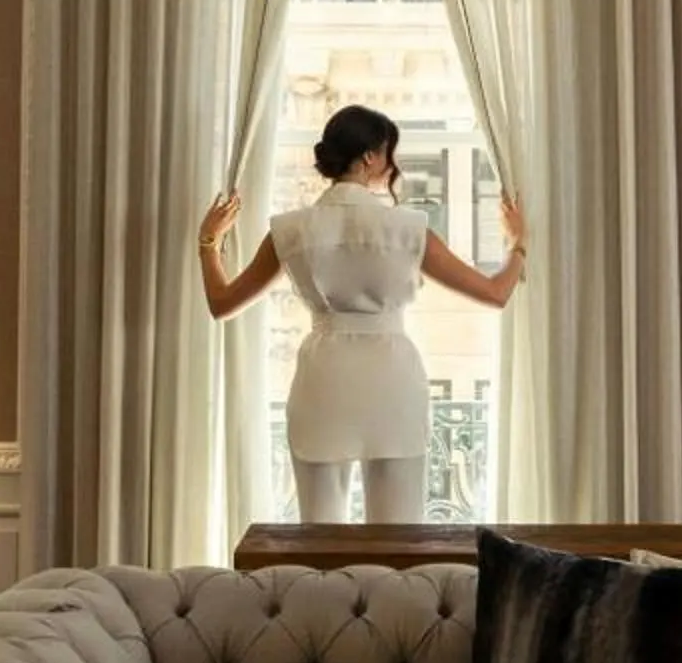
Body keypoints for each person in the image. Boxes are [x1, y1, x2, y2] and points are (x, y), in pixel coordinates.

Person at [197, 105, 525, 525]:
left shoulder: (289, 229)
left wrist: (208, 243)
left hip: (323, 381)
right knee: (399, 541)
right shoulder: (408, 227)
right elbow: (495, 293)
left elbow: (222, 303)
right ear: (370, 156)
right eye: (389, 153)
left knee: (319, 541)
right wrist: (518, 245)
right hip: (392, 381)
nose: (393, 164)